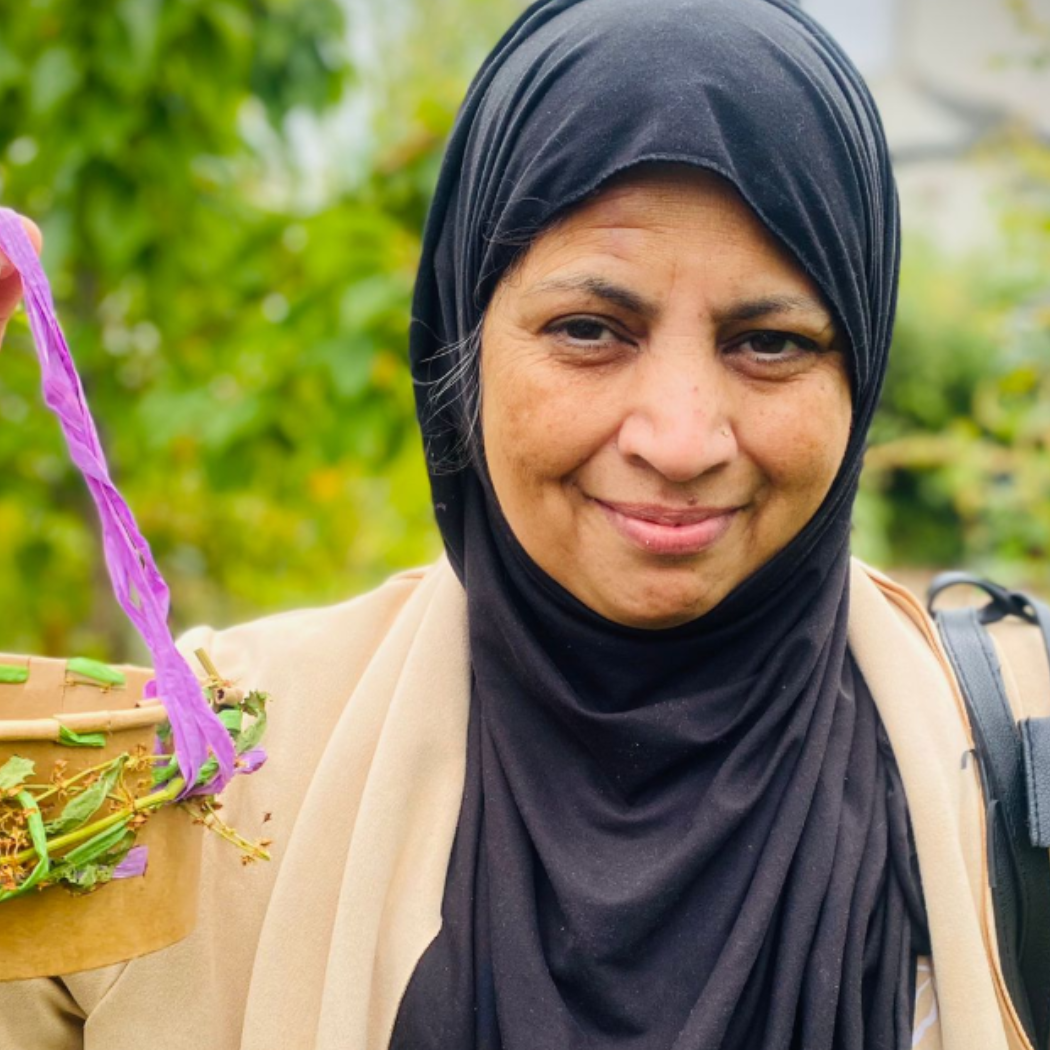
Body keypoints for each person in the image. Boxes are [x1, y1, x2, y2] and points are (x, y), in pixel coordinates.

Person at [0, 0, 1044, 1048]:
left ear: (855, 372)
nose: (679, 440)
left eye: (769, 343)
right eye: (590, 330)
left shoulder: (1013, 772)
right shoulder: (199, 779)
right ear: (465, 342)